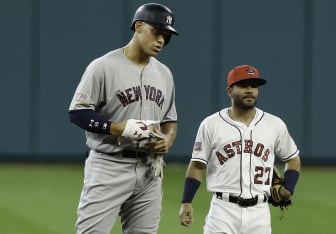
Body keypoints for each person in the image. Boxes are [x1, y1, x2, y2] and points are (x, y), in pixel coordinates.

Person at [68, 3, 179, 233]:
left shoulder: (164, 74)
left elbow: (170, 120)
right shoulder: (103, 66)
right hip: (109, 166)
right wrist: (118, 128)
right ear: (139, 26)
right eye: (157, 32)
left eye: (166, 36)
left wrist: (167, 140)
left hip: (150, 170)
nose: (161, 41)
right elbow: (78, 113)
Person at [178, 64, 301, 234]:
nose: (250, 90)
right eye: (243, 85)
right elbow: (197, 165)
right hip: (222, 211)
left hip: (260, 212)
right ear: (230, 91)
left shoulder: (275, 124)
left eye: (254, 85)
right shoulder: (211, 124)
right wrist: (187, 201)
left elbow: (293, 158)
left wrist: (288, 189)